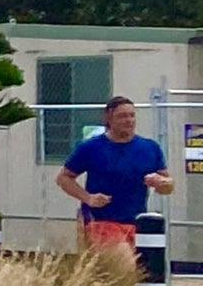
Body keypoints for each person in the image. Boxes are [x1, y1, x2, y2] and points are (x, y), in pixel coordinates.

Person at [59, 93, 171, 253]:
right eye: (122, 116)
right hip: (101, 221)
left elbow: (167, 186)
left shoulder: (150, 147)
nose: (129, 120)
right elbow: (63, 178)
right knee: (124, 263)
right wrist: (87, 198)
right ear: (109, 118)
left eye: (132, 115)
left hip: (136, 221)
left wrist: (163, 183)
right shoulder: (91, 147)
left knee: (136, 274)